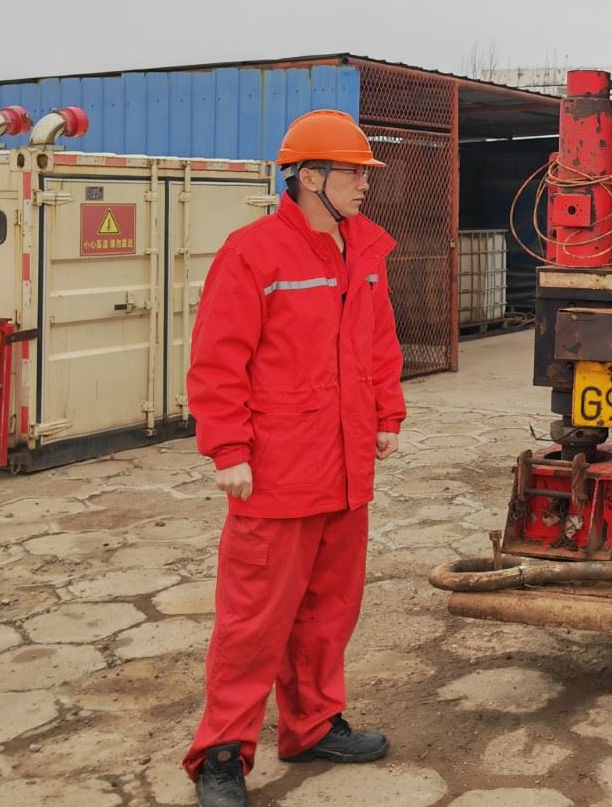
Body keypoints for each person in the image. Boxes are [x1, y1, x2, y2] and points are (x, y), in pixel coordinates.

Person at [182, 109, 405, 807]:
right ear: (310, 177)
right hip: (277, 473)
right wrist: (228, 448)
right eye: (353, 173)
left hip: (345, 468)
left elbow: (379, 342)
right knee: (253, 621)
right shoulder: (254, 253)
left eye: (365, 174)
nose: (365, 184)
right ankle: (222, 754)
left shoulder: (363, 250)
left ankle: (312, 727)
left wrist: (387, 413)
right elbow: (218, 358)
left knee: (329, 610)